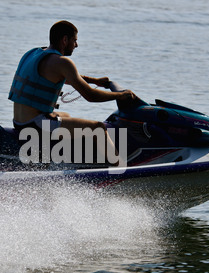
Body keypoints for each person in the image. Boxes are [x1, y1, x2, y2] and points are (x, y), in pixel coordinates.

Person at [9, 20, 135, 166]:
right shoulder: (63, 62)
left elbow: (66, 77)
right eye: (75, 40)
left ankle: (69, 160)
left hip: (19, 121)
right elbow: (91, 96)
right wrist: (122, 95)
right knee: (98, 128)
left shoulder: (34, 54)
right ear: (64, 40)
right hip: (36, 125)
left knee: (66, 116)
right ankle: (120, 169)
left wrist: (94, 81)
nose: (76, 45)